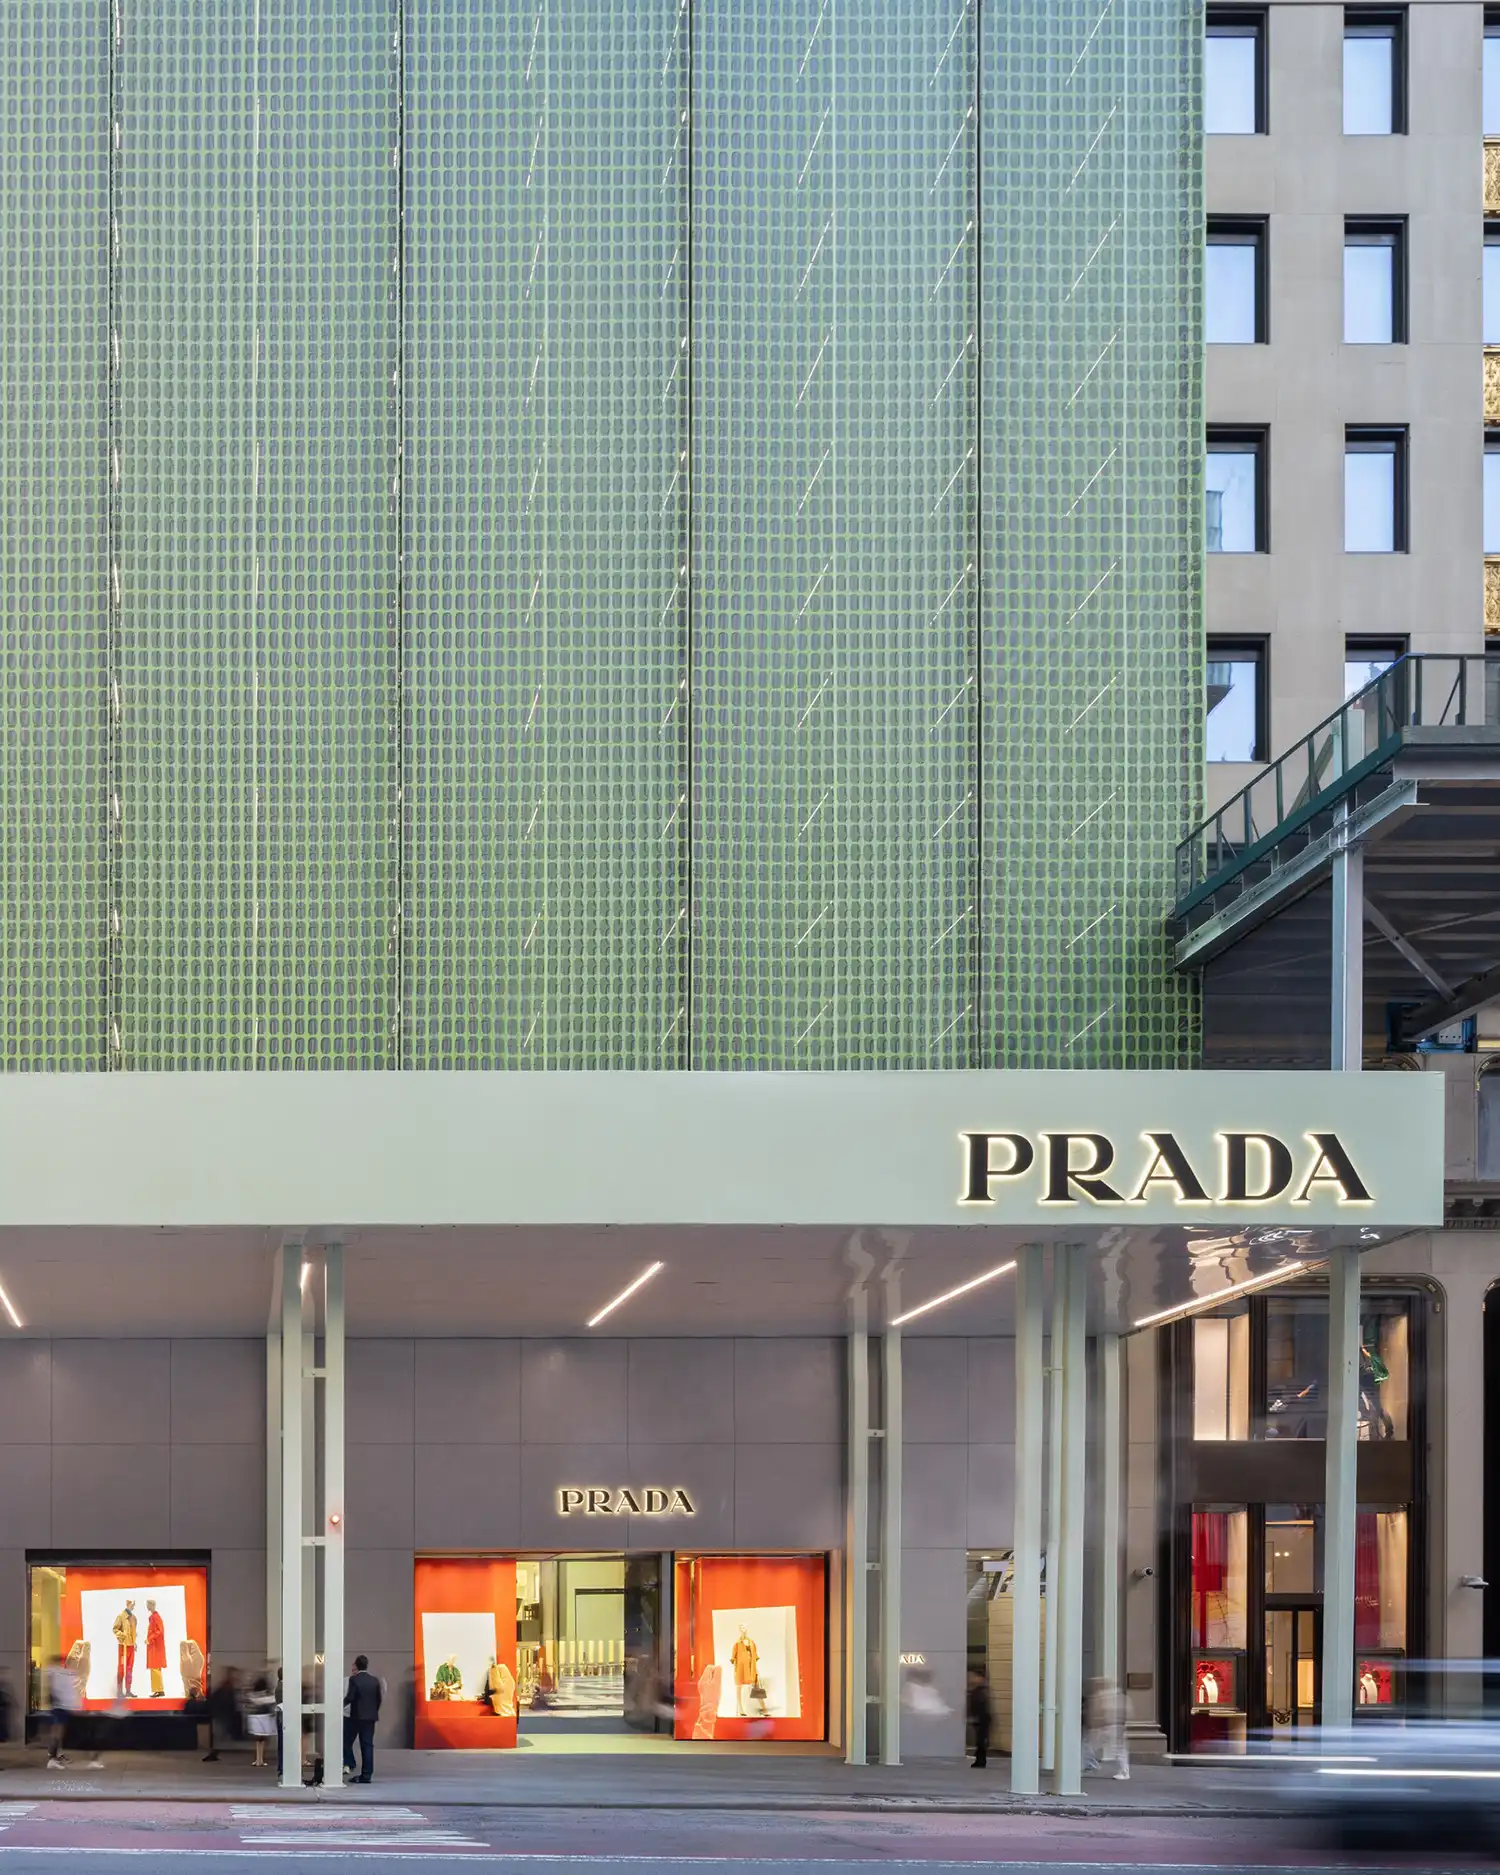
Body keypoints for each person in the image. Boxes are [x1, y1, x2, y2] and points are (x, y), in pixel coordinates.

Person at [44, 1651, 102, 1770]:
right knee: (60, 1733)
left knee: (59, 1733)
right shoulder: (60, 1673)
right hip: (64, 1708)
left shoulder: (69, 1675)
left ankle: (55, 1758)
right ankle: (54, 1759)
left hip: (67, 1708)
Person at [343, 1655, 382, 1785]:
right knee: (367, 1745)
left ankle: (349, 1763)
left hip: (356, 1717)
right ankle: (367, 1774)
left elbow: (350, 1697)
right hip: (370, 1717)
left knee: (347, 1740)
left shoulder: (354, 1680)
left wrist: (340, 1705)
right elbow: (378, 1699)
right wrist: (373, 1711)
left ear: (356, 1665)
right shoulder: (374, 1680)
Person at [1084, 1676, 1129, 1781]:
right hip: (1115, 1725)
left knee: (1090, 1746)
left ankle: (1090, 1764)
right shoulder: (1120, 1696)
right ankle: (1123, 1771)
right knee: (1119, 1749)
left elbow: (1098, 1711)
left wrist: (1095, 1723)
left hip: (1106, 1726)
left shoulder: (1102, 1696)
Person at [201, 1664, 242, 1762]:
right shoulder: (227, 1687)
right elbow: (225, 1701)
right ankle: (213, 1753)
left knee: (219, 1735)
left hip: (221, 1714)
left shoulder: (226, 1686)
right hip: (222, 1715)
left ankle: (213, 1753)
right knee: (219, 1734)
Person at [245, 1675, 277, 1769]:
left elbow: (248, 1705)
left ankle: (258, 1759)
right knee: (262, 1740)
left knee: (258, 1741)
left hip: (254, 1718)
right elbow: (272, 1703)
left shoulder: (252, 1695)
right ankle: (261, 1759)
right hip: (264, 1718)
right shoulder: (268, 1695)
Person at [966, 1665, 992, 1769]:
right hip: (981, 1719)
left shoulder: (980, 1691)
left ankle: (980, 1760)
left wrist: (975, 1716)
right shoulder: (978, 1690)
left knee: (981, 1740)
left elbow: (980, 1706)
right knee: (980, 1740)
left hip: (982, 1719)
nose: (971, 1678)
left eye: (974, 1676)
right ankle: (980, 1759)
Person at [145, 1600, 167, 1697]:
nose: (147, 1606)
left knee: (155, 1667)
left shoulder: (156, 1617)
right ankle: (158, 1689)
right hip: (154, 1645)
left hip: (155, 1646)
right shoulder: (153, 1617)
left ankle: (158, 1690)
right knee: (155, 1667)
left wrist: (150, 1639)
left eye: (148, 1604)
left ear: (152, 1605)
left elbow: (160, 1631)